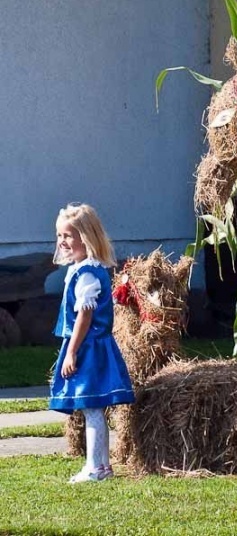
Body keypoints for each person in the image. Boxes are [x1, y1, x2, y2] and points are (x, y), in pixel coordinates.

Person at [49, 204, 134, 483]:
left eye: (69, 236)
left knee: (92, 407)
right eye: (60, 235)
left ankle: (96, 467)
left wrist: (72, 351)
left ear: (86, 238)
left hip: (89, 347)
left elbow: (84, 316)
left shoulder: (87, 273)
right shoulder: (80, 269)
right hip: (89, 345)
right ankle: (101, 465)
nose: (63, 241)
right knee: (92, 408)